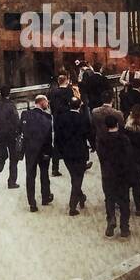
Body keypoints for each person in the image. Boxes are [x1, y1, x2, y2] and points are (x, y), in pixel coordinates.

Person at [54, 86, 92, 216]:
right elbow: (89, 134)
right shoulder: (82, 118)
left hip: (66, 153)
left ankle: (81, 197)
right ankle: (72, 205)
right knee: (78, 178)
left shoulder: (61, 118)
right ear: (79, 106)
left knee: (73, 176)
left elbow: (58, 136)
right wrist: (93, 146)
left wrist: (58, 151)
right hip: (80, 152)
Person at [95, 115, 133, 239]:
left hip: (108, 173)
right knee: (124, 200)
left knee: (109, 198)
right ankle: (124, 227)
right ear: (117, 124)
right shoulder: (124, 139)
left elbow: (101, 156)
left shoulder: (101, 140)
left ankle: (111, 218)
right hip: (122, 174)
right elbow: (128, 157)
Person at [19, 95, 54, 213]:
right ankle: (45, 197)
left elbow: (20, 131)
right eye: (47, 102)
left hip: (30, 150)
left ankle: (32, 203)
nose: (48, 104)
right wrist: (48, 152)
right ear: (42, 102)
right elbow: (48, 138)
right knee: (44, 174)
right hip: (43, 150)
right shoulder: (48, 117)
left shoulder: (25, 114)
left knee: (30, 176)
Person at [0, 86, 21, 189]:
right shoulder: (11, 106)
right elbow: (16, 121)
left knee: (2, 156)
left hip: (0, 135)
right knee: (14, 157)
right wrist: (18, 133)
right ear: (9, 94)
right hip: (11, 135)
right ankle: (11, 182)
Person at [47, 72, 75, 177]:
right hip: (67, 119)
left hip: (57, 120)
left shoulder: (52, 92)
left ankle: (55, 168)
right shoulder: (69, 91)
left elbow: (51, 105)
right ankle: (78, 164)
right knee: (72, 141)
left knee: (57, 144)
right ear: (66, 81)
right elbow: (72, 104)